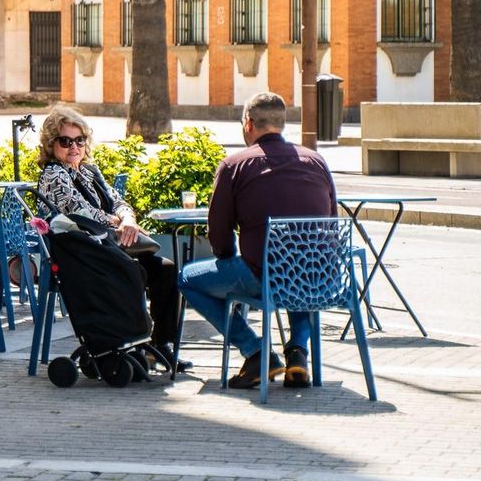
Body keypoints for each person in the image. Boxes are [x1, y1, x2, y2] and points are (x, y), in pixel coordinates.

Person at [179, 91, 336, 391]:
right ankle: (298, 352)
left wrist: (226, 258)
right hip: (317, 277)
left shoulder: (234, 165)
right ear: (282, 124)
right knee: (301, 262)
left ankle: (256, 351)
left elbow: (220, 233)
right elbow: (328, 222)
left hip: (259, 276)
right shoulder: (317, 161)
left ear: (248, 124)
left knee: (186, 279)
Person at [35, 106, 182, 367]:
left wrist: (128, 219)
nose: (74, 147)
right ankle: (133, 341)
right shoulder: (53, 174)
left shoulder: (89, 171)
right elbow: (79, 211)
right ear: (51, 144)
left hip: (110, 246)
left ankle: (159, 343)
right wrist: (119, 223)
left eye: (79, 140)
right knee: (133, 271)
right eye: (65, 141)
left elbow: (118, 200)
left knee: (166, 270)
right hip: (82, 254)